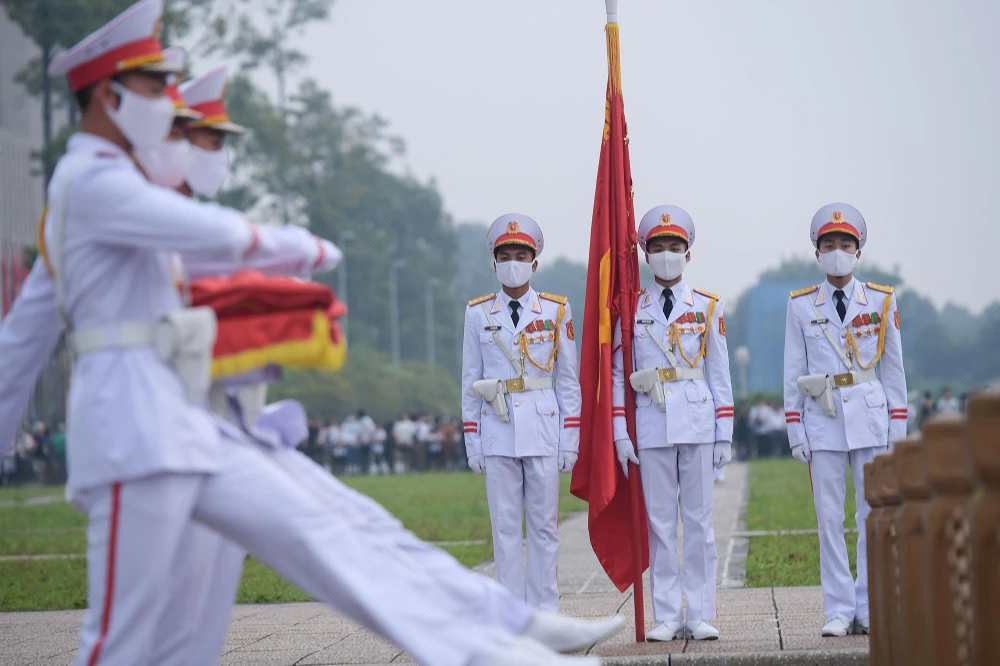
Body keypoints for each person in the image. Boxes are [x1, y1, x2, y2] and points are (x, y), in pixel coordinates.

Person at [15, 11, 613, 664]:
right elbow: (36, 337)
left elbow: (25, 341)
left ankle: (506, 629)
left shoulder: (119, 196)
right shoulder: (91, 184)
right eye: (162, 95)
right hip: (132, 432)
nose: (177, 126)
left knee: (343, 531)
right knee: (126, 636)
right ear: (110, 96)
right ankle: (507, 631)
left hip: (196, 428)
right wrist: (297, 246)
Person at [783, 203, 907, 637]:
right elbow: (793, 370)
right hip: (823, 419)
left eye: (846, 244)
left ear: (859, 251)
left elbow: (894, 370)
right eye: (829, 244)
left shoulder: (881, 299)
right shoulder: (800, 305)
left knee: (872, 516)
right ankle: (838, 608)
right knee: (829, 519)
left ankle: (869, 605)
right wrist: (795, 427)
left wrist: (897, 428)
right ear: (817, 252)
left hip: (871, 418)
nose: (838, 251)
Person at [610, 205, 733, 642]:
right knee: (659, 524)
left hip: (698, 419)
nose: (667, 255)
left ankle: (699, 612)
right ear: (645, 255)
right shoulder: (631, 308)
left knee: (699, 522)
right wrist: (619, 431)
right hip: (652, 422)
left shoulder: (708, 306)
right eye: (658, 247)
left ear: (688, 253)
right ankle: (666, 613)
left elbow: (719, 373)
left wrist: (724, 432)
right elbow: (617, 374)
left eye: (674, 247)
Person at [462, 214, 582, 612]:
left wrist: (570, 437)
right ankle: (511, 615)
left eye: (520, 256)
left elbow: (568, 380)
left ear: (534, 262)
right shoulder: (478, 313)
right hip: (497, 429)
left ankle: (545, 613)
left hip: (544, 428)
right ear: (494, 263)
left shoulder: (556, 310)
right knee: (505, 528)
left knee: (545, 527)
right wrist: (473, 441)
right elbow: (470, 381)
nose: (513, 263)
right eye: (505, 256)